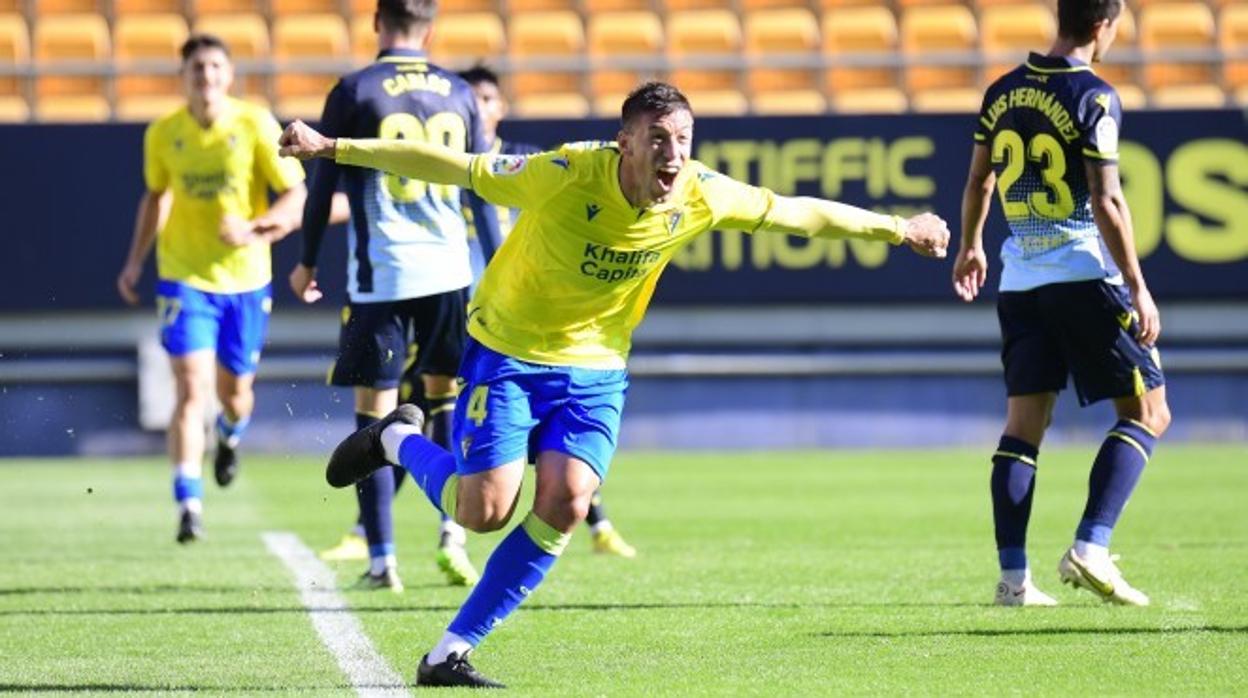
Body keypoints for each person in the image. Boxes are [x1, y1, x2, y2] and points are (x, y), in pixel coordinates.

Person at [279, 81, 949, 687]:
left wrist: (898, 227)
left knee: (568, 503)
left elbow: (796, 214)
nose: (674, 154)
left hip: (597, 369)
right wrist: (333, 147)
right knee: (481, 512)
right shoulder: (562, 173)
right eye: (659, 139)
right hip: (507, 352)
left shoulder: (700, 193)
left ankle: (448, 652)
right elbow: (451, 166)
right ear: (624, 141)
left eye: (684, 140)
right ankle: (398, 438)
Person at [952, 0, 1171, 607]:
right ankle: (1091, 546)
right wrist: (1137, 283)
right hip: (1081, 274)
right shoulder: (1094, 98)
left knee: (1024, 427)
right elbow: (1107, 201)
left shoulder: (1002, 92)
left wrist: (971, 246)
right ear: (1104, 24)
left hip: (1021, 281)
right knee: (1149, 413)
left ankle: (1013, 580)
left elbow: (978, 181)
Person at [290, 0, 498, 590]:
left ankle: (382, 560)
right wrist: (497, 265)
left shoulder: (355, 89)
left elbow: (321, 183)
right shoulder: (459, 91)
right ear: (430, 29)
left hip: (382, 276)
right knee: (444, 405)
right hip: (449, 274)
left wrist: (305, 261)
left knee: (375, 420)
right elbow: (481, 190)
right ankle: (451, 534)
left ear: (377, 24)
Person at [117, 34, 306, 544]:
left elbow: (296, 193)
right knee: (190, 388)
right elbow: (156, 197)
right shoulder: (163, 134)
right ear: (184, 76)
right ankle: (188, 502)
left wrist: (256, 227)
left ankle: (228, 437)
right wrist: (135, 261)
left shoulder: (254, 124)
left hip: (245, 280)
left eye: (215, 67)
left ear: (229, 75)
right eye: (197, 67)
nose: (206, 76)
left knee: (235, 395)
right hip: (184, 277)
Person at [459, 64, 637, 559]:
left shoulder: (526, 163)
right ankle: (377, 530)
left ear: (501, 107)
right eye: (469, 99)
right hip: (473, 312)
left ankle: (599, 522)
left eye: (487, 98)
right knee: (465, 444)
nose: (479, 108)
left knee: (557, 442)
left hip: (536, 318)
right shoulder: (454, 170)